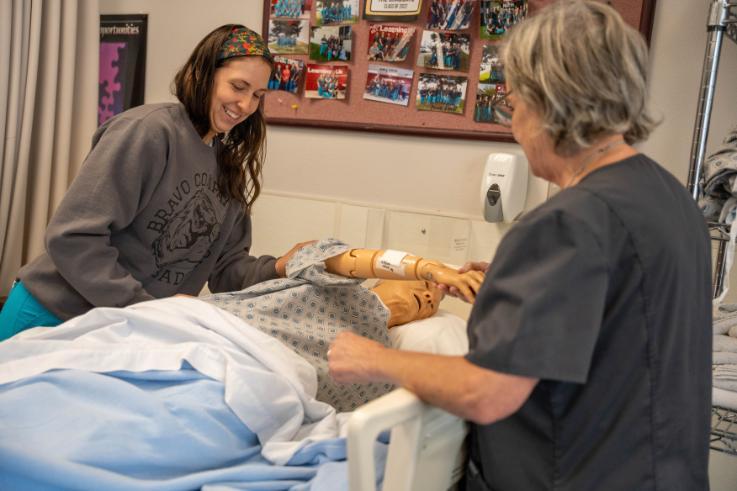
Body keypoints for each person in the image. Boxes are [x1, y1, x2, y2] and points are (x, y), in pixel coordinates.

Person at [328, 1, 712, 489]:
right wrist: (519, 287)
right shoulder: (668, 196)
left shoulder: (565, 224)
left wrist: (373, 358)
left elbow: (488, 392)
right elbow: (619, 319)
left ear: (548, 99)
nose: (513, 124)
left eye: (512, 102)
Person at [0, 25, 312, 340]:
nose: (245, 105)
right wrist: (145, 308)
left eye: (257, 95)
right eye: (238, 86)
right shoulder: (148, 132)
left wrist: (281, 266)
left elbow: (225, 268)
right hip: (51, 316)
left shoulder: (228, 168)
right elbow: (73, 237)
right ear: (203, 74)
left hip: (120, 331)